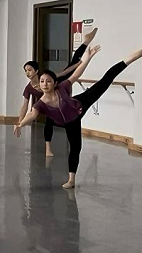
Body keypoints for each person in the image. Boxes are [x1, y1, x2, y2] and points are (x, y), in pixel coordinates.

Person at [13, 45, 142, 189]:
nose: (45, 84)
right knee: (75, 148)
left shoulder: (63, 87)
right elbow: (32, 114)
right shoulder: (40, 104)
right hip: (71, 122)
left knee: (106, 80)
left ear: (55, 83)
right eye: (42, 81)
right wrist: (21, 124)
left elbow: (77, 73)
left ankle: (132, 58)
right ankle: (71, 180)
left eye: (48, 81)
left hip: (81, 103)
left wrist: (88, 57)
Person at [19, 27, 99, 157]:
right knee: (48, 122)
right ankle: (48, 148)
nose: (27, 73)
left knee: (73, 63)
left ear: (36, 71)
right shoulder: (29, 88)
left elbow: (65, 72)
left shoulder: (47, 78)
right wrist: (20, 122)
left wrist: (77, 65)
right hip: (49, 103)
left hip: (59, 85)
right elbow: (24, 106)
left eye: (29, 70)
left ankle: (86, 41)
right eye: (25, 71)